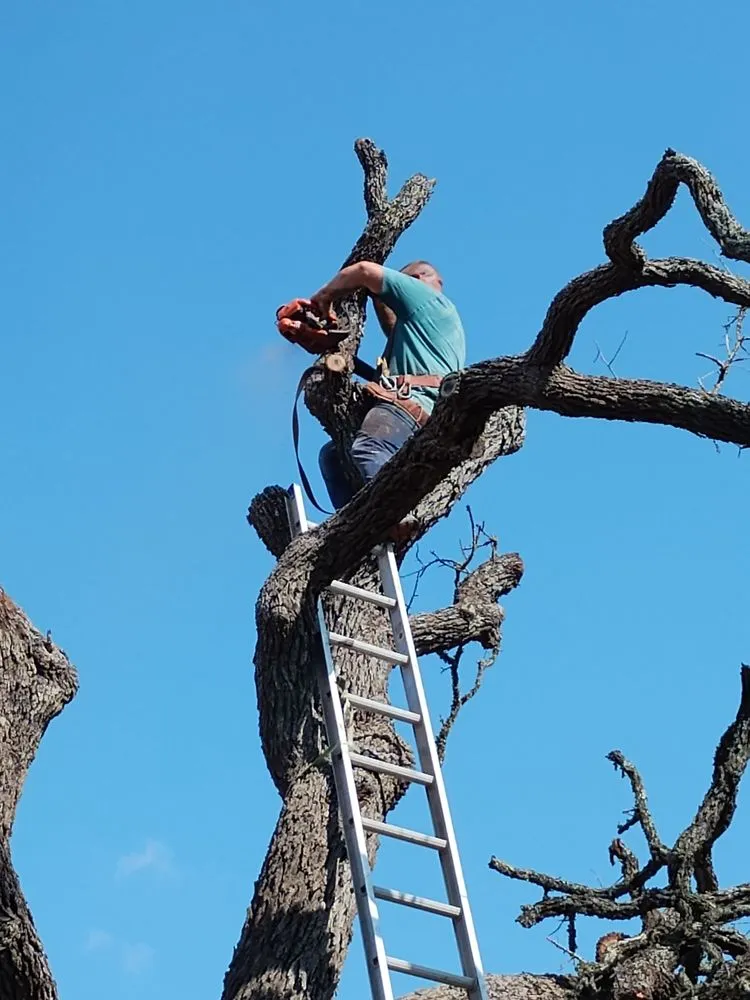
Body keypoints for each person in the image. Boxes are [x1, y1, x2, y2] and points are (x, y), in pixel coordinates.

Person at [311, 259, 466, 537]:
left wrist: (322, 298)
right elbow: (391, 323)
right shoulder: (420, 326)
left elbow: (364, 271)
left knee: (369, 448)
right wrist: (375, 295)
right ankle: (354, 530)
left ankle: (397, 514)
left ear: (417, 280)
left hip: (411, 404)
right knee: (333, 456)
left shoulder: (427, 299)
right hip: (423, 415)